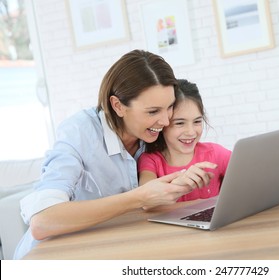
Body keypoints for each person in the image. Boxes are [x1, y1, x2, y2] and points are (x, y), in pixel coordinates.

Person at [14, 50, 207, 259]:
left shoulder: (151, 135)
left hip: (109, 249)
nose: (165, 121)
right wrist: (137, 198)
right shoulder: (79, 132)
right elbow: (43, 221)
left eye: (169, 107)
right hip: (51, 256)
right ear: (118, 106)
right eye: (153, 112)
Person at [138, 79, 232, 202]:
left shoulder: (215, 153)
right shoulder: (150, 161)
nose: (191, 132)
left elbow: (252, 175)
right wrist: (178, 183)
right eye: (180, 123)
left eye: (197, 121)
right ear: (163, 123)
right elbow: (146, 201)